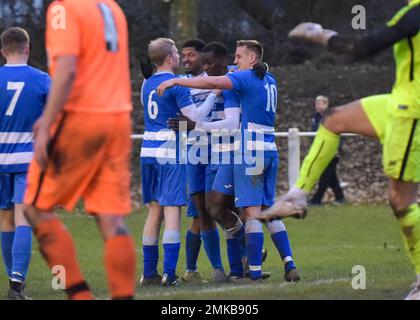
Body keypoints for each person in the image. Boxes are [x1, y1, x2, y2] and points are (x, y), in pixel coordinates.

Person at [260, 0, 420, 299]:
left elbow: (363, 47)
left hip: (412, 113)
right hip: (399, 102)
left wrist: (320, 34)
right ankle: (298, 196)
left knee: (402, 202)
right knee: (333, 120)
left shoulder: (416, 13)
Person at [157, 40, 302, 282]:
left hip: (248, 151)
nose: (236, 62)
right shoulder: (268, 78)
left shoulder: (241, 80)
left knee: (250, 211)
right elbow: (221, 82)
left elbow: (215, 84)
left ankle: (251, 272)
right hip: (266, 148)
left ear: (251, 59)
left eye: (239, 57)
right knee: (255, 208)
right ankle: (287, 264)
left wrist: (175, 80)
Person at [23, 0, 136, 300]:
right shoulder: (111, 8)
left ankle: (79, 295)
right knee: (111, 218)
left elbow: (67, 68)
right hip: (117, 119)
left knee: (34, 207)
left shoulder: (64, 8)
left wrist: (47, 122)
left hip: (80, 117)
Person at [139, 37, 220, 286]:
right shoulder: (178, 85)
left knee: (154, 212)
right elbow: (194, 118)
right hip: (169, 153)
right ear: (170, 58)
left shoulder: (145, 85)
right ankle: (170, 273)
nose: (179, 57)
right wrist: (213, 95)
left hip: (147, 153)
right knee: (172, 211)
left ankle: (149, 273)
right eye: (176, 52)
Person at [0, 27, 50, 300]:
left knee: (5, 220)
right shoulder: (41, 80)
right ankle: (16, 285)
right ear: (28, 49)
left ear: (2, 51)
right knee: (23, 219)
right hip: (28, 159)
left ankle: (15, 285)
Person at [308, 95, 345, 206]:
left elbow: (339, 133)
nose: (317, 106)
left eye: (320, 104)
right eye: (316, 104)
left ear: (326, 104)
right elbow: (313, 134)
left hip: (331, 151)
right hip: (320, 150)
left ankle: (317, 199)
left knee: (324, 175)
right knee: (331, 176)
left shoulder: (331, 117)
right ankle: (340, 197)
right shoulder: (315, 117)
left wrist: (338, 149)